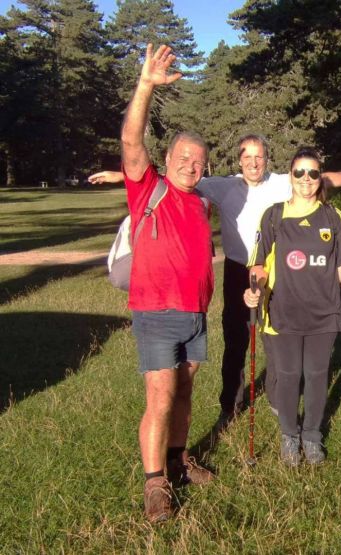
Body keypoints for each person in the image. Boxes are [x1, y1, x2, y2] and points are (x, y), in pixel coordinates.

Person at [90, 141, 341, 426]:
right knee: (235, 343)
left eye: (260, 156)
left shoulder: (282, 182)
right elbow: (173, 180)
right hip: (237, 270)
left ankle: (279, 402)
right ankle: (231, 405)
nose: (254, 162)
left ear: (267, 159)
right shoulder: (222, 185)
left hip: (275, 274)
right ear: (239, 161)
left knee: (274, 342)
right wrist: (123, 176)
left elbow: (324, 177)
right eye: (248, 157)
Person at [119, 44, 214, 523]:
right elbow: (132, 143)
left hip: (195, 316)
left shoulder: (200, 202)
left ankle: (178, 460)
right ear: (168, 156)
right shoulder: (148, 186)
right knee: (160, 398)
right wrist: (146, 87)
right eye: (183, 157)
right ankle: (154, 484)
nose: (190, 166)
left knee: (186, 392)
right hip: (156, 313)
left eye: (198, 161)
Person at [244, 146, 341, 466]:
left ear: (319, 177)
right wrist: (254, 288)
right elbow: (259, 265)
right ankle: (289, 435)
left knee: (315, 375)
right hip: (283, 311)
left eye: (313, 173)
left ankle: (312, 436)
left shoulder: (331, 216)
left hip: (323, 312)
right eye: (299, 172)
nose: (306, 179)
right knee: (287, 374)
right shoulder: (273, 215)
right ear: (291, 176)